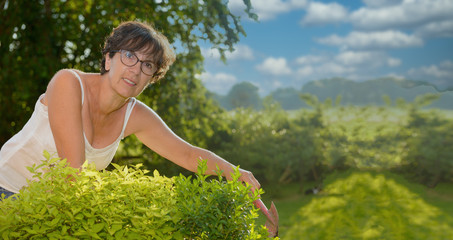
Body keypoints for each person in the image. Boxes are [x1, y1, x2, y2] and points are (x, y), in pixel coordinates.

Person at [0, 21, 260, 199]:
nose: (136, 69)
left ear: (152, 78)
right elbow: (73, 175)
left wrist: (238, 174)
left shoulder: (135, 115)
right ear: (108, 58)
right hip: (6, 191)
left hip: (54, 209)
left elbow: (188, 154)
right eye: (129, 56)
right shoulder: (68, 83)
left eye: (148, 65)